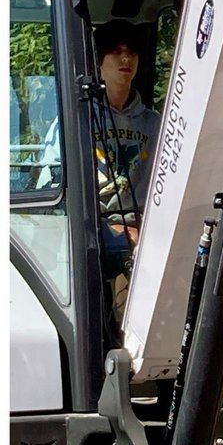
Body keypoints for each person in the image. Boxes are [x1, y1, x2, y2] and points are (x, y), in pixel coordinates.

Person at [92, 21, 162, 275]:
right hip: (97, 225)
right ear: (98, 61)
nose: (125, 58)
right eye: (115, 51)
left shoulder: (155, 123)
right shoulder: (79, 118)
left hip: (145, 223)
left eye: (132, 52)